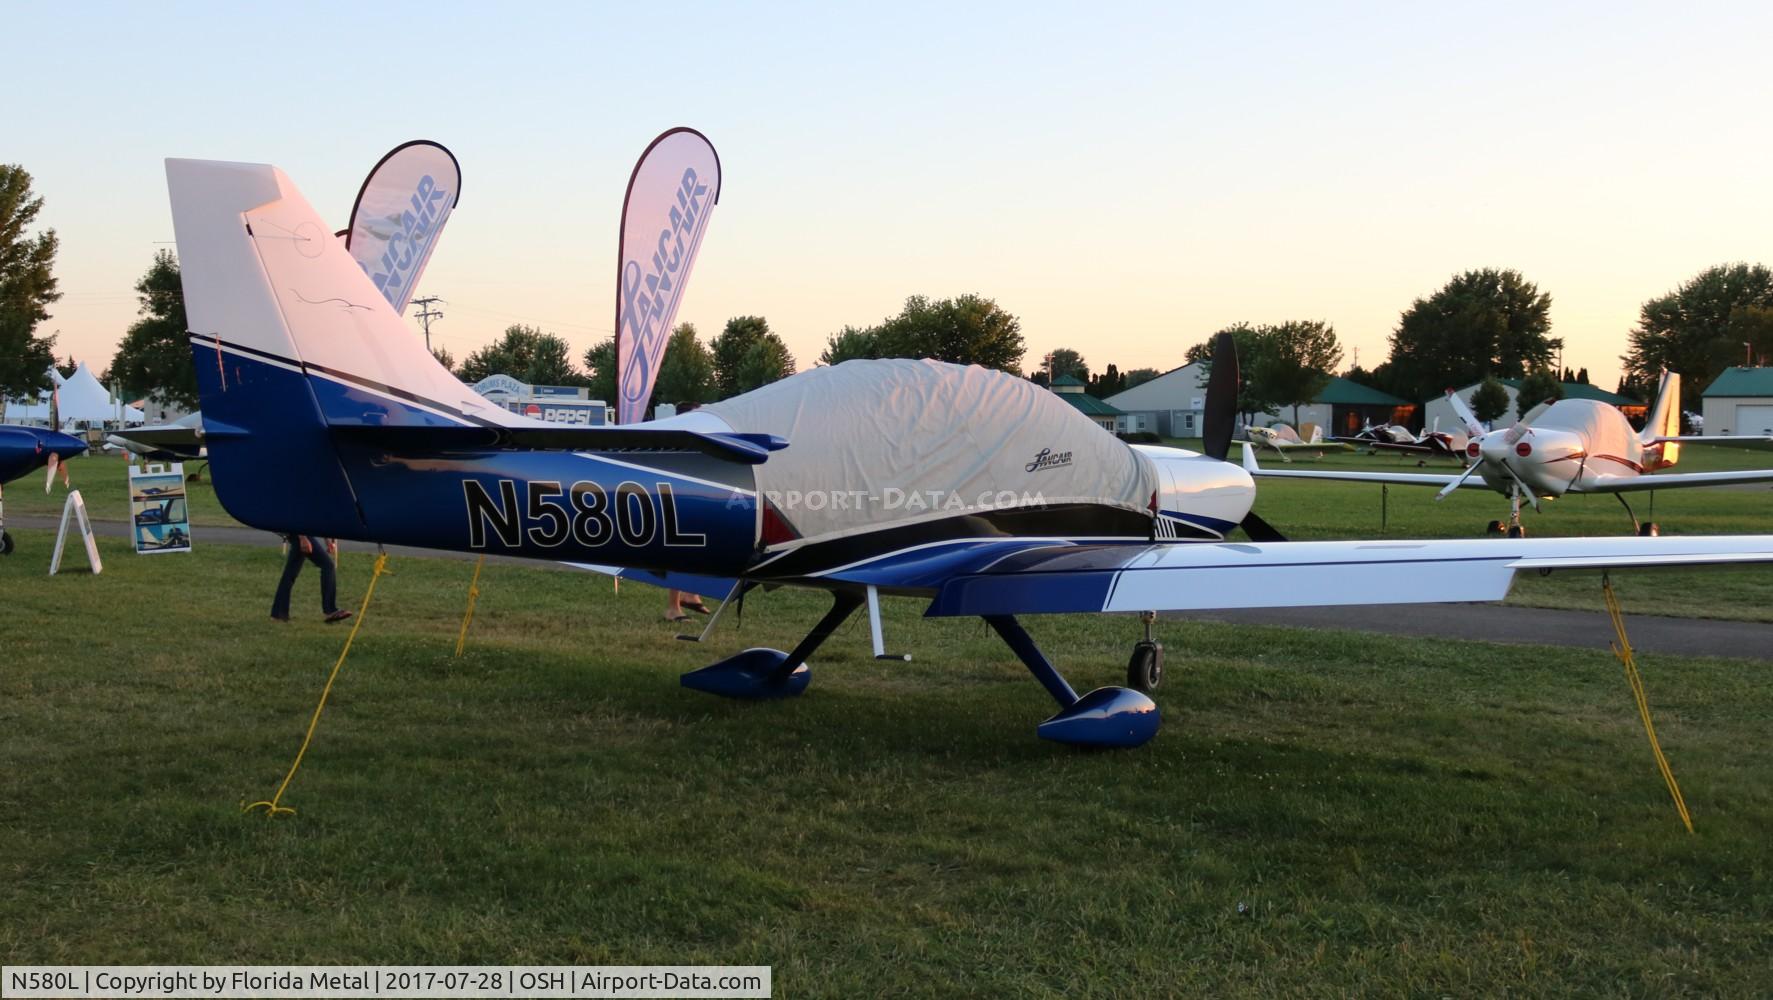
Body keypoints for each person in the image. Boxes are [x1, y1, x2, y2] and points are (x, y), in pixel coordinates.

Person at [665, 400, 712, 623]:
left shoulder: (688, 437)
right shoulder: (679, 438)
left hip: (689, 499)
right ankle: (673, 607)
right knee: (679, 553)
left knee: (694, 549)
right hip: (677, 502)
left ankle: (689, 594)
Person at [272, 534, 352, 623]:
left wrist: (326, 540)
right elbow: (299, 519)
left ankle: (278, 613)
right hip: (300, 532)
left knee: (290, 573)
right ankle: (330, 610)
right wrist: (303, 538)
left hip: (299, 533)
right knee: (328, 565)